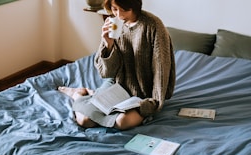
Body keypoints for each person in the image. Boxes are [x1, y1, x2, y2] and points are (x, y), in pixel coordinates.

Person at [58, 0, 175, 130]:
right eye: (114, 9)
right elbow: (107, 73)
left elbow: (161, 70)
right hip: (117, 85)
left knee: (122, 122)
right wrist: (108, 44)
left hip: (143, 93)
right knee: (84, 121)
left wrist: (155, 101)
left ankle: (92, 96)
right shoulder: (114, 24)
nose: (118, 14)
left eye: (124, 10)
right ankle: (78, 95)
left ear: (134, 6)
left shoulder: (153, 25)